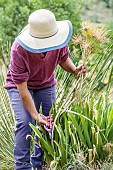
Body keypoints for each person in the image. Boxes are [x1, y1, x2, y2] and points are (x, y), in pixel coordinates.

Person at [4, 9, 86, 170]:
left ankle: (39, 163)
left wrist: (75, 70)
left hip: (46, 84)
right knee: (26, 121)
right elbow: (23, 89)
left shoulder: (58, 40)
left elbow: (63, 60)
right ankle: (22, 166)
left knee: (49, 122)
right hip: (19, 86)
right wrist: (35, 115)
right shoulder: (19, 49)